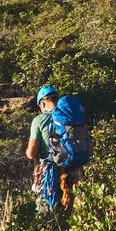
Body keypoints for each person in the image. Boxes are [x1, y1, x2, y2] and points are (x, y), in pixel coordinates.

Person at [25, 84, 89, 212]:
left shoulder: (39, 121)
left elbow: (31, 153)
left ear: (43, 103)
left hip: (49, 171)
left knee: (46, 208)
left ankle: (50, 228)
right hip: (73, 167)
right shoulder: (70, 118)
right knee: (69, 207)